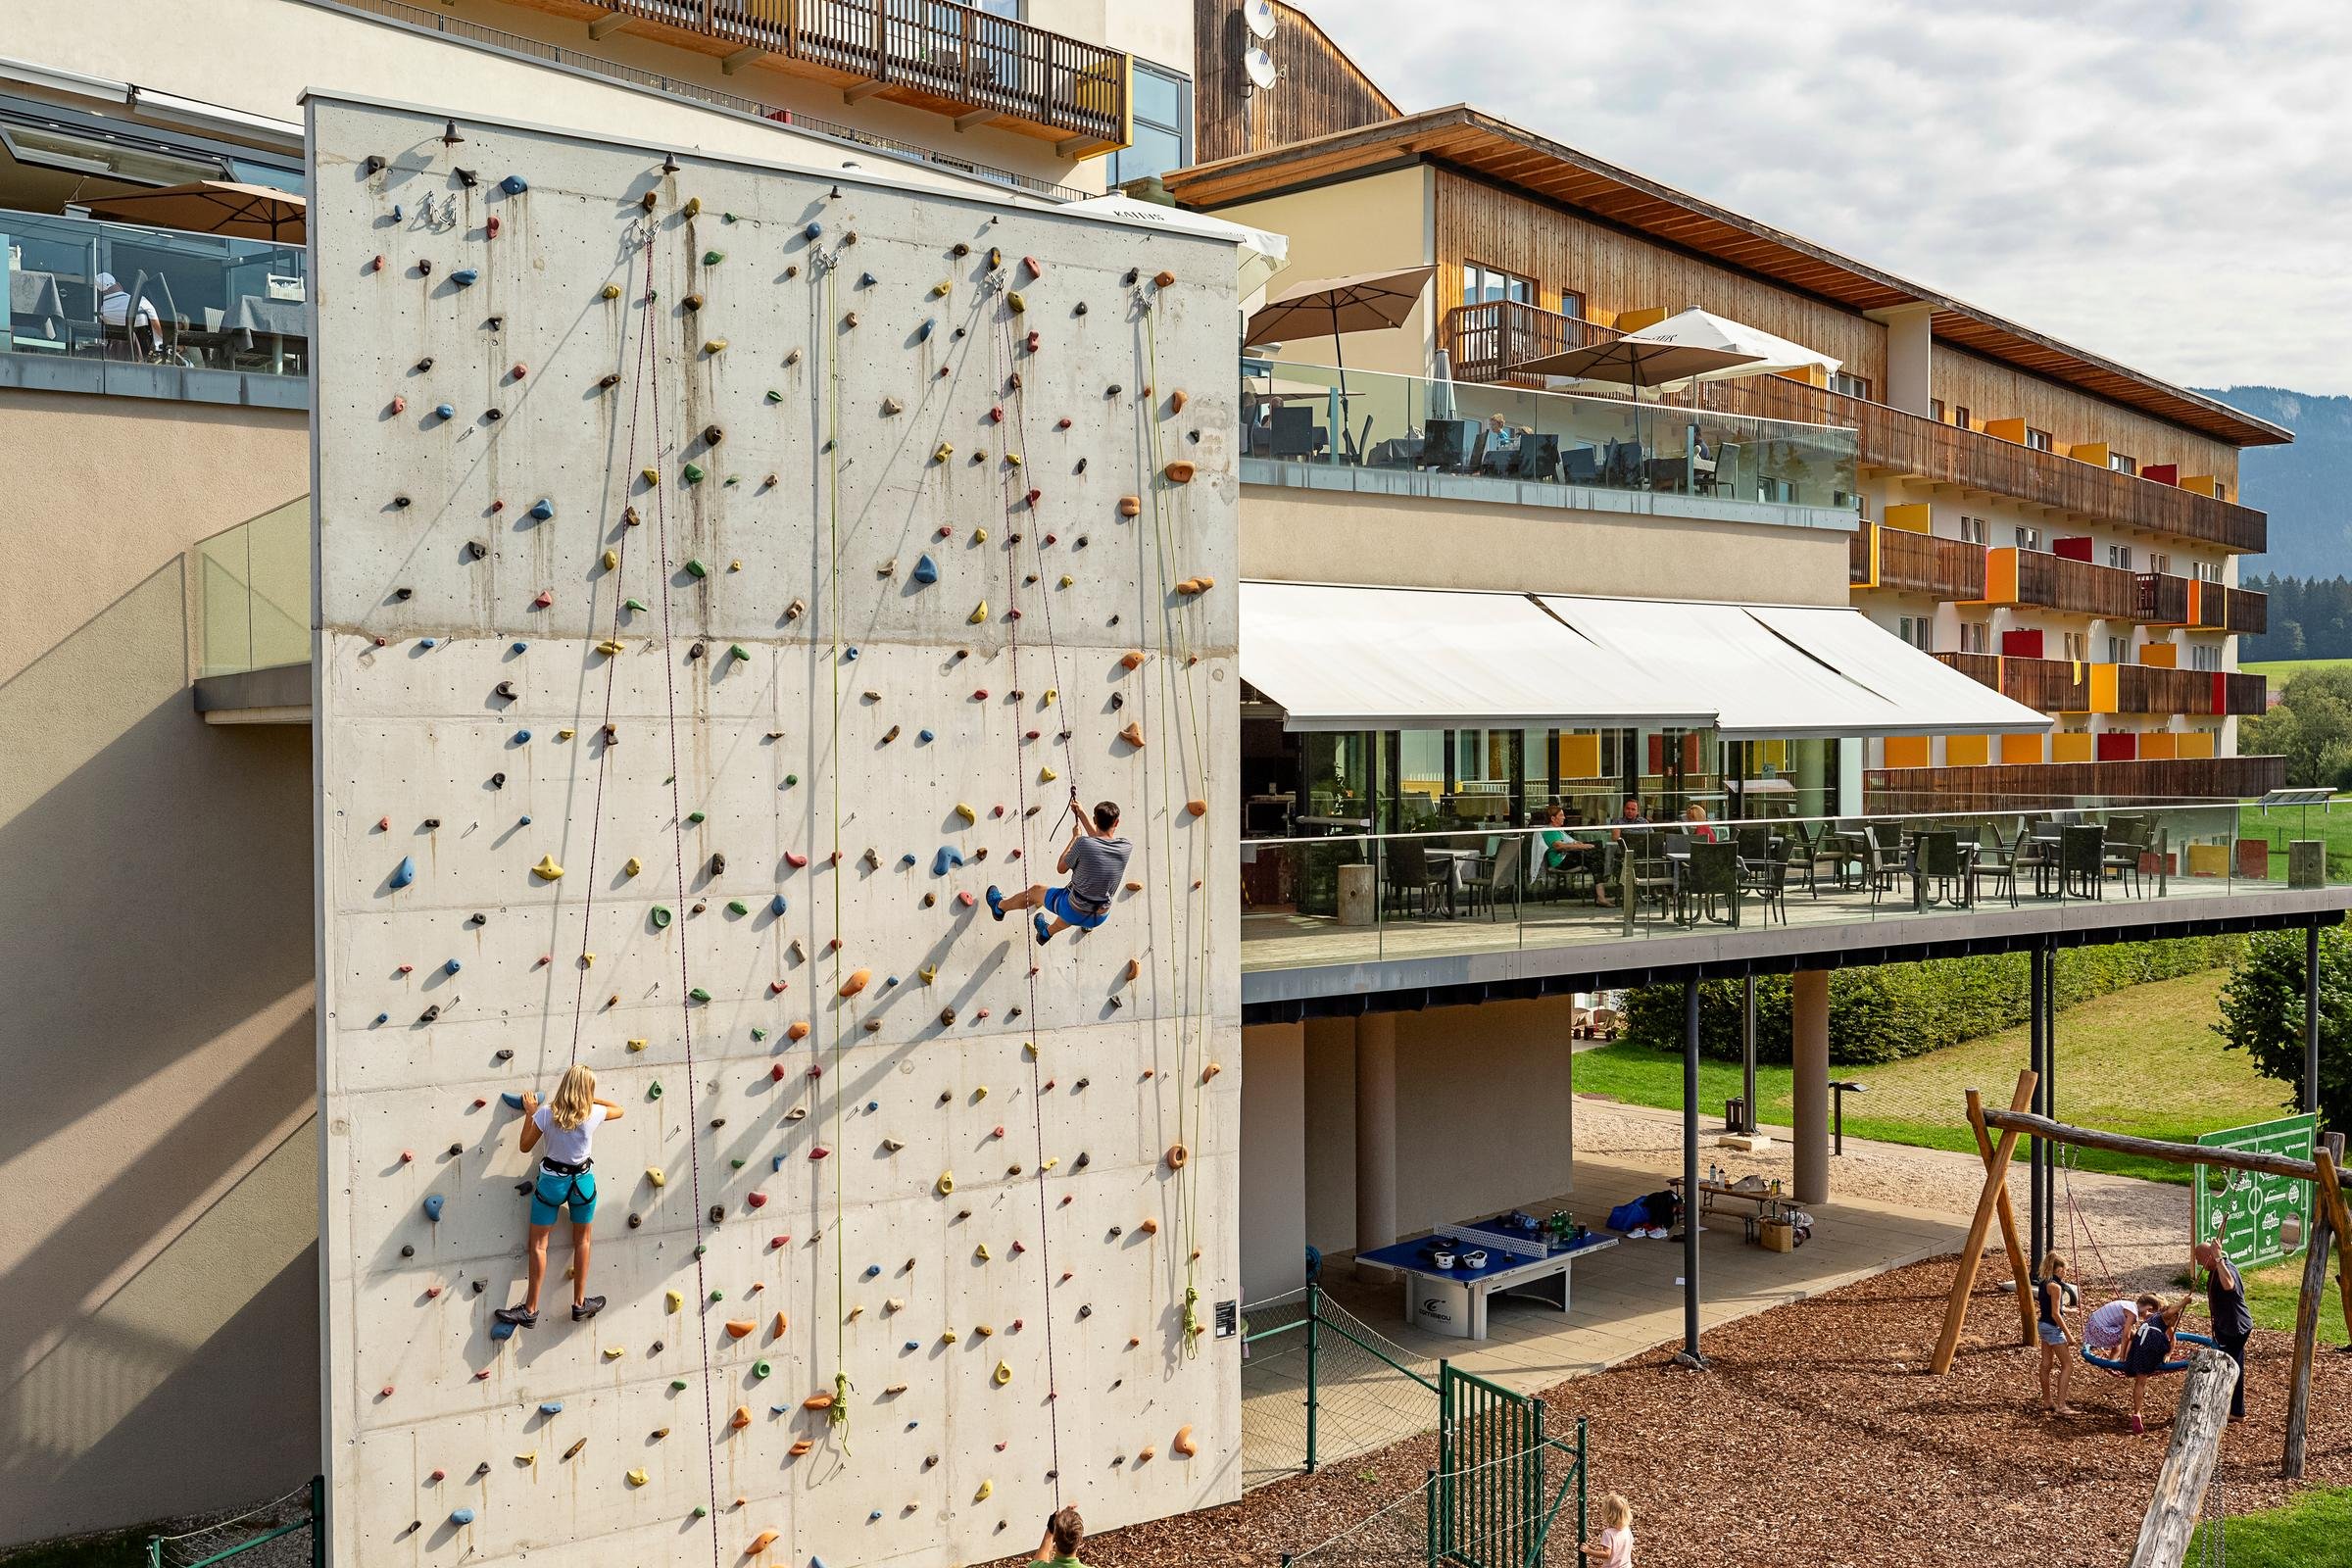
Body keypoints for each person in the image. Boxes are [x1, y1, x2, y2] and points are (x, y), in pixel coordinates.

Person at [494, 1063, 625, 1327]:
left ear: (565, 1085)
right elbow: (619, 1109)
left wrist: (531, 1113)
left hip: (552, 1184)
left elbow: (524, 1147)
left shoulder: (546, 1114)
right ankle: (579, 1303)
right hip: (582, 1184)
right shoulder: (594, 1112)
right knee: (583, 1241)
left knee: (539, 1246)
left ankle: (530, 1309)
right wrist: (590, 1098)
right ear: (587, 1090)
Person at [989, 791, 1133, 945]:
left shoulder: (1083, 843)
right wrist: (1081, 814)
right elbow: (1100, 841)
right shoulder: (1126, 847)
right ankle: (1045, 933)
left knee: (1036, 892)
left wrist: (1075, 838)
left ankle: (999, 907)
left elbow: (1061, 868)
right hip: (1099, 916)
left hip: (1073, 909)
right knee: (1073, 910)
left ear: (1094, 820)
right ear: (1116, 823)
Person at [2194, 1239, 2253, 1422]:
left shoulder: (2227, 1269)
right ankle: (2235, 1408)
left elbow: (2228, 1285)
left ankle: (2235, 1410)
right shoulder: (2216, 1268)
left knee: (2231, 1368)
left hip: (2234, 1328)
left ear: (2210, 1257)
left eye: (2200, 1259)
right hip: (2229, 1326)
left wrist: (2218, 1257)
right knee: (2235, 1366)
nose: (2198, 1264)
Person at [2119, 1292, 2193, 1435]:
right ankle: (2137, 1412)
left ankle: (2137, 1413)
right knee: (2142, 1381)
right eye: (2174, 1319)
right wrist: (2184, 1302)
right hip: (2150, 1346)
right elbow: (2171, 1313)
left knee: (2139, 1381)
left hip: (2138, 1347)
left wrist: (2169, 1354)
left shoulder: (2153, 1319)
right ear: (2169, 1314)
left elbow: (2173, 1339)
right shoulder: (2164, 1317)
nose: (2174, 1322)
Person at [2034, 1254, 2076, 1416]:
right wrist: (2069, 1335)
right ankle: (2061, 1405)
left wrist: (2069, 1310)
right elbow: (2055, 1314)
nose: (2065, 1272)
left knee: (2046, 1364)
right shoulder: (2056, 1287)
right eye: (2065, 1269)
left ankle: (2047, 1401)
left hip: (2042, 1326)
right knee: (2067, 1365)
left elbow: (2050, 1306)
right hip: (2053, 1328)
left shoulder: (2045, 1283)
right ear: (2059, 1269)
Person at [1595, 797, 1647, 907]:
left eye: (1633, 809)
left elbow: (1652, 836)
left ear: (1638, 811)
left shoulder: (1643, 821)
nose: (1630, 811)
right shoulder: (1618, 821)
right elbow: (1616, 838)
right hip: (1624, 854)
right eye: (1628, 808)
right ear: (1624, 809)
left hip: (1643, 853)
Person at [93, 271, 163, 356]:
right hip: (145, 348)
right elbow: (156, 325)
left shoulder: (103, 311)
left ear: (102, 292)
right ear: (119, 285)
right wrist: (163, 343)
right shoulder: (141, 301)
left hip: (122, 352)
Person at [1579, 1492, 1633, 1567]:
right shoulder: (1627, 1529)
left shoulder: (1608, 1533)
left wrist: (1589, 1551)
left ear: (1609, 1515)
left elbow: (1606, 1554)